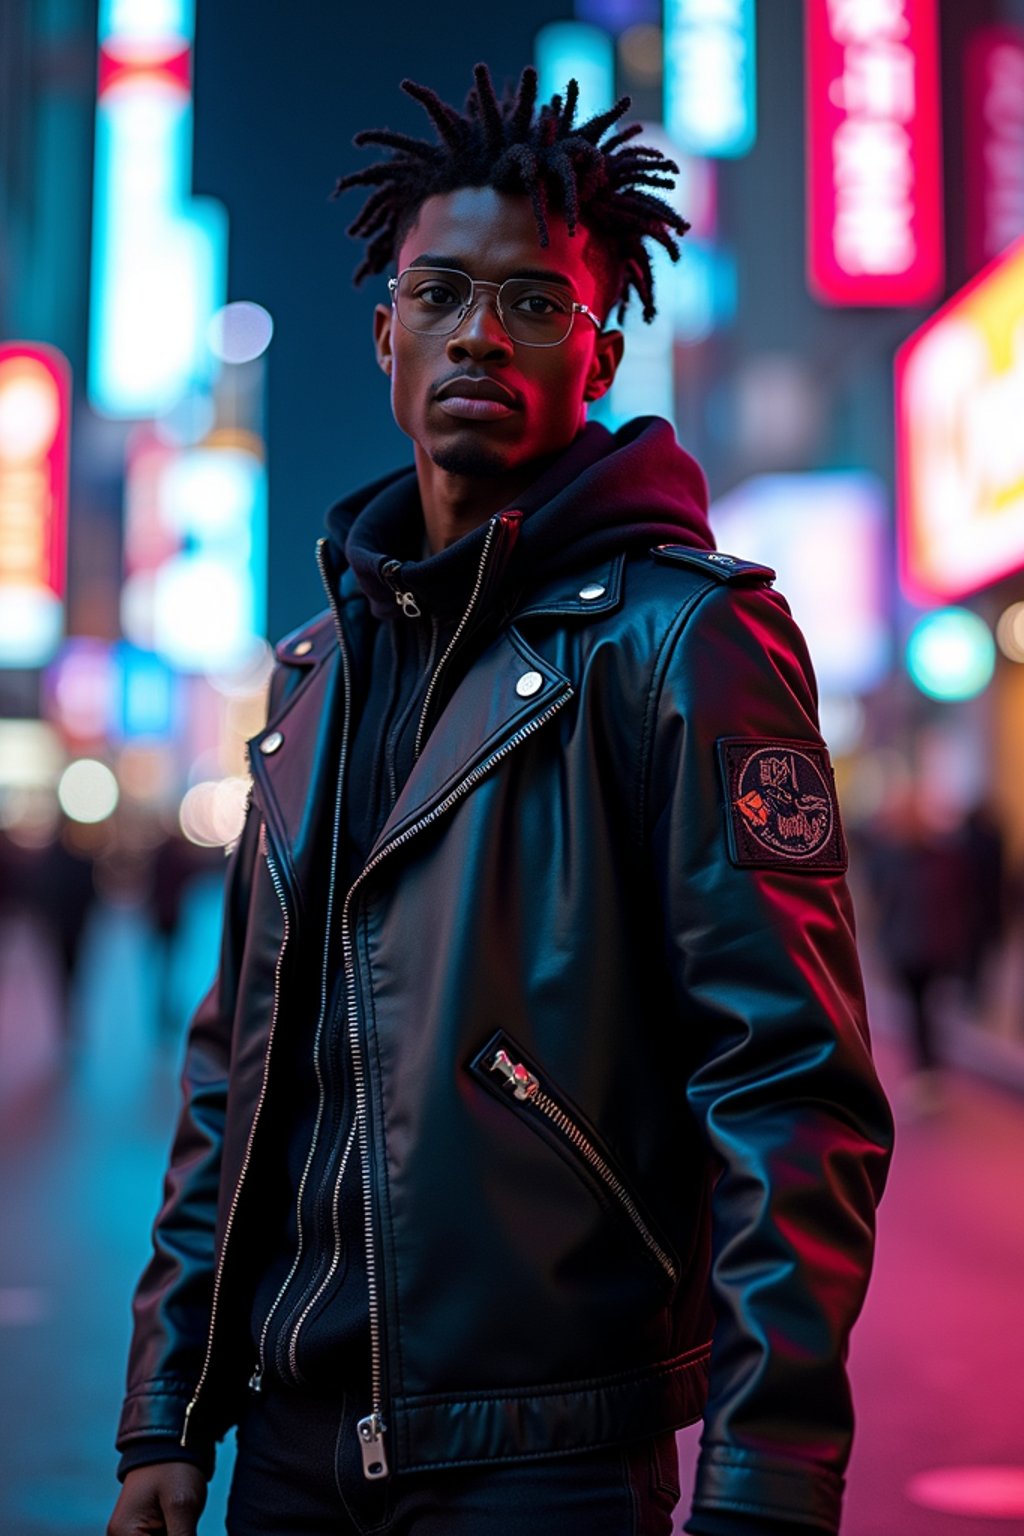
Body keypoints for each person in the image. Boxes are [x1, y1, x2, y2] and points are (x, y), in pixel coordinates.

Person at [108, 64, 893, 1536]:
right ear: (386, 331)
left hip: (541, 1460)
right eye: (444, 291)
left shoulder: (685, 640)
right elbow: (237, 1075)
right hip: (287, 1450)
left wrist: (768, 1473)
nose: (483, 328)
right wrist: (168, 1409)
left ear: (599, 359)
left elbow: (789, 1089)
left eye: (537, 302)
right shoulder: (312, 676)